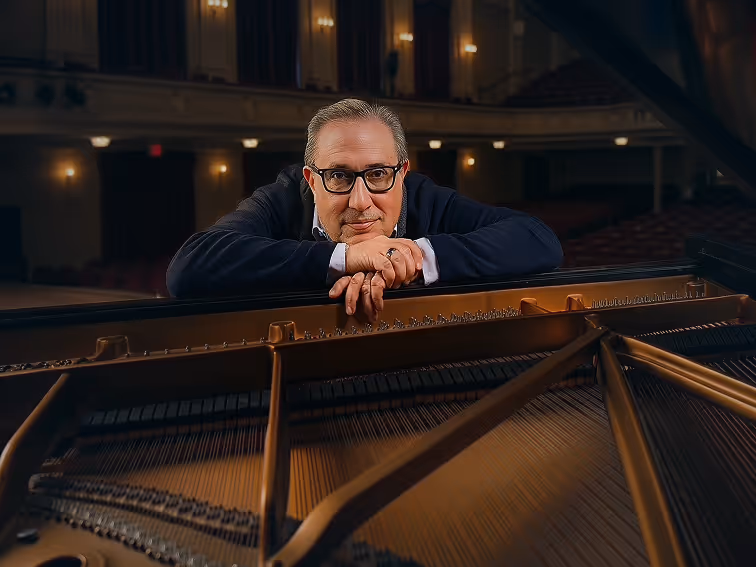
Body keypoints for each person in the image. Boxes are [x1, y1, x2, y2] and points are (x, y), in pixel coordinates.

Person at [167, 99, 563, 321]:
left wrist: (413, 257)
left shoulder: (424, 195)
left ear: (402, 173)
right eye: (338, 176)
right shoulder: (282, 198)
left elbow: (537, 238)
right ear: (310, 178)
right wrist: (348, 257)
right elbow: (189, 266)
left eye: (377, 174)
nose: (360, 201)